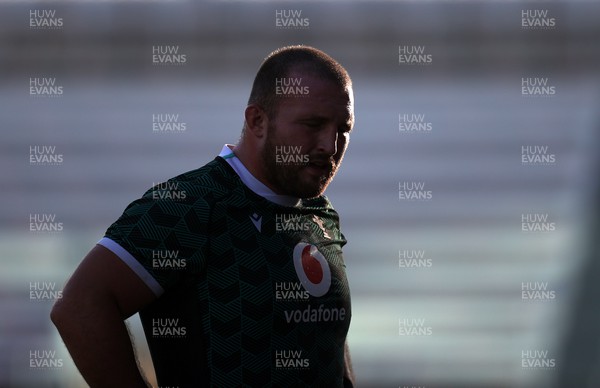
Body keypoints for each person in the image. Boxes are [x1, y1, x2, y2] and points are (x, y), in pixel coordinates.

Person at [51, 45, 356, 387]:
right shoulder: (190, 205)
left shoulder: (320, 213)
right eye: (313, 124)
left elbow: (327, 342)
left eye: (343, 129)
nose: (330, 146)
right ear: (257, 120)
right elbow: (78, 308)